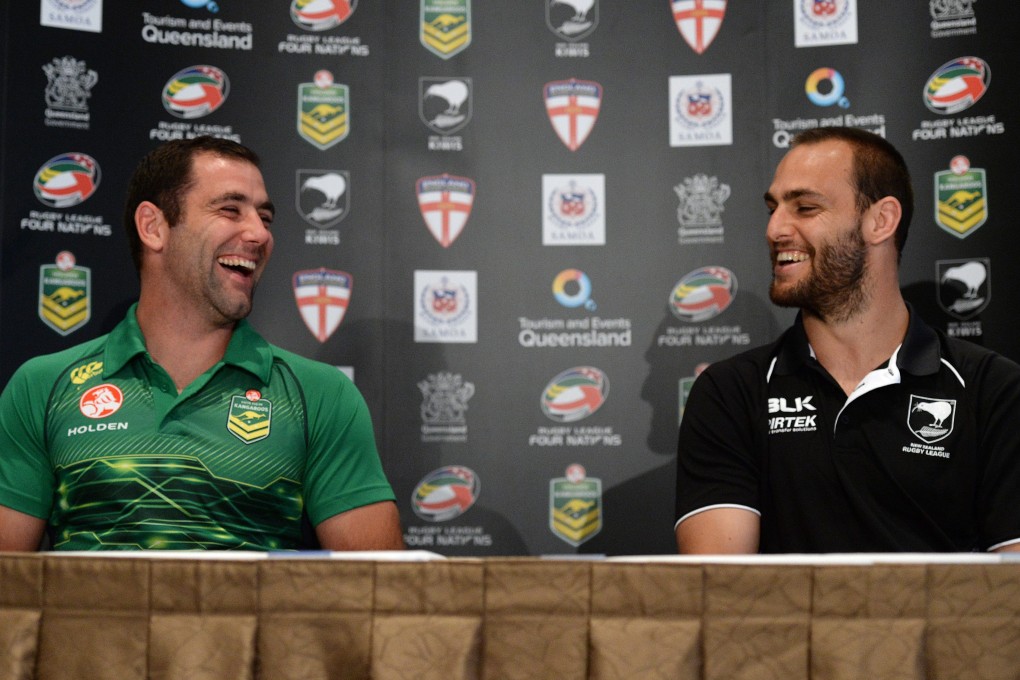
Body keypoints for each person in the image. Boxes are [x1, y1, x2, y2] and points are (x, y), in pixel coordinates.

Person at [0, 137, 404, 552]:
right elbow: (8, 578)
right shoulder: (42, 387)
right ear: (153, 227)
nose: (259, 233)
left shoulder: (321, 395)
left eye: (265, 217)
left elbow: (378, 584)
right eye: (230, 210)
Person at [674, 127, 1020, 553]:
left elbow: (1011, 582)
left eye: (805, 207)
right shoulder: (730, 393)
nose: (775, 229)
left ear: (881, 221)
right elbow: (720, 582)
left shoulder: (993, 392)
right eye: (772, 209)